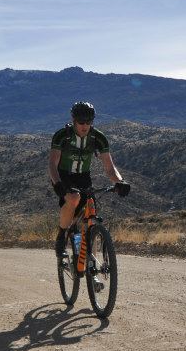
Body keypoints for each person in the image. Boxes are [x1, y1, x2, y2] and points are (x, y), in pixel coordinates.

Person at [49, 101, 130, 257]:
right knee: (74, 198)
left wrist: (120, 182)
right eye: (81, 122)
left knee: (90, 209)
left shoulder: (98, 137)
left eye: (89, 122)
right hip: (63, 175)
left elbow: (110, 168)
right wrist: (57, 183)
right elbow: (52, 163)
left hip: (83, 177)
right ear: (74, 121)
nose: (85, 125)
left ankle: (90, 259)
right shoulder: (62, 136)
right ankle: (61, 235)